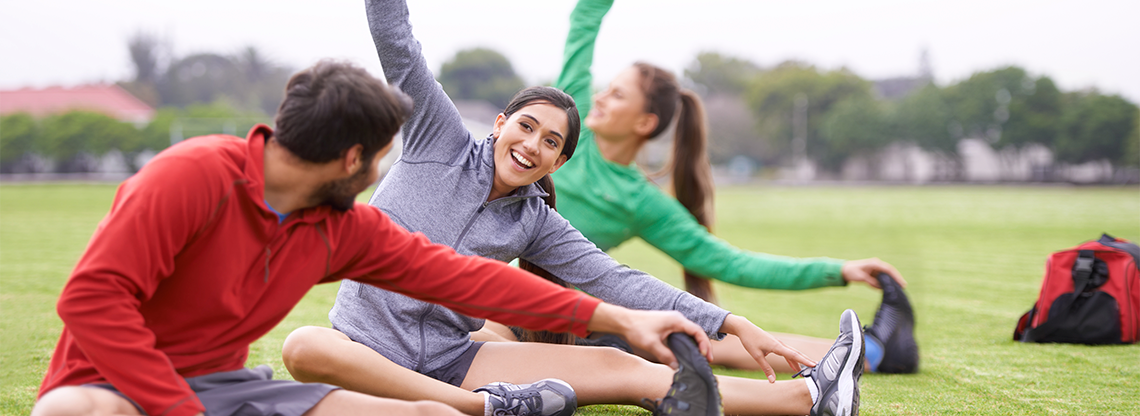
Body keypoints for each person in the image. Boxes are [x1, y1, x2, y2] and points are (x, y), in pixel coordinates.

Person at [28, 59, 718, 416]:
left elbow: (469, 280)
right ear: (354, 159)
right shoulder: (190, 175)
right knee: (68, 409)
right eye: (384, 156)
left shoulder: (340, 228)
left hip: (225, 391)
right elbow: (91, 301)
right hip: (110, 387)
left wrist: (617, 316)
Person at [279, 1, 865, 415]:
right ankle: (481, 411)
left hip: (453, 359)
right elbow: (397, 41)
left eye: (551, 143)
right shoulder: (440, 138)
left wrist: (733, 323)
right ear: (502, 123)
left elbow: (617, 280)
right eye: (526, 127)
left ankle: (812, 396)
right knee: (304, 346)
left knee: (631, 372)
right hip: (364, 352)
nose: (532, 145)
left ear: (559, 162)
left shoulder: (534, 219)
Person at [545, 0, 918, 374]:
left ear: (644, 123)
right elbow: (584, 21)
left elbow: (732, 264)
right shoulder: (569, 121)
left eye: (617, 94)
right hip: (510, 294)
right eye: (607, 88)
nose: (599, 97)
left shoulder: (640, 202)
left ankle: (873, 352)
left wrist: (840, 270)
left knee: (698, 340)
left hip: (558, 319)